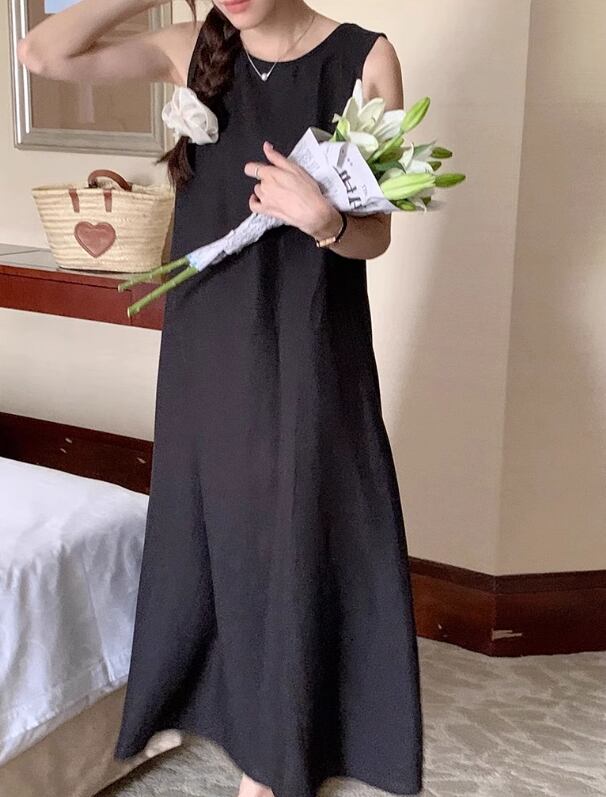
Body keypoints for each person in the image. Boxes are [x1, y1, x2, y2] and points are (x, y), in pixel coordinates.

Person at [18, 1, 424, 795]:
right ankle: (238, 721)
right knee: (225, 528)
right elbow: (42, 54)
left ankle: (281, 752)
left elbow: (376, 233)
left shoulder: (365, 59)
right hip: (209, 341)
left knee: (299, 522)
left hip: (309, 333)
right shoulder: (190, 45)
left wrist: (325, 220)